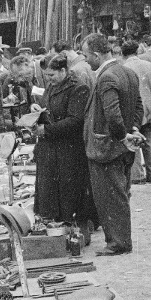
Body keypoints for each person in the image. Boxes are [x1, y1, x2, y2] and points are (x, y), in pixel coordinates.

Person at [81, 33, 144, 256]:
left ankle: (118, 242)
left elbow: (112, 114)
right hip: (119, 147)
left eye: (87, 55)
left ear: (97, 54)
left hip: (106, 149)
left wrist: (122, 136)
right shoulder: (127, 72)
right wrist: (133, 130)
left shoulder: (106, 76)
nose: (85, 60)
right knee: (120, 193)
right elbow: (138, 106)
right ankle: (119, 240)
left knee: (110, 196)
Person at [31, 54, 91, 240]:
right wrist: (37, 111)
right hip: (52, 148)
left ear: (63, 70)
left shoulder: (78, 88)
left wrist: (46, 130)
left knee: (70, 191)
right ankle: (59, 227)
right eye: (46, 75)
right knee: (54, 190)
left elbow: (75, 120)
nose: (48, 79)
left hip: (69, 149)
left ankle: (78, 230)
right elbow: (49, 108)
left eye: (51, 75)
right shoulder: (53, 86)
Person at [122, 40, 151, 183]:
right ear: (137, 51)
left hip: (132, 110)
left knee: (133, 141)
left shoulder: (123, 68)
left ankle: (137, 176)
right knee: (150, 141)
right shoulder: (150, 66)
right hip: (149, 108)